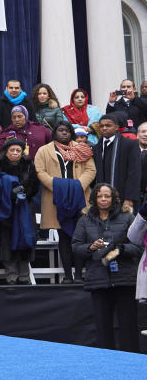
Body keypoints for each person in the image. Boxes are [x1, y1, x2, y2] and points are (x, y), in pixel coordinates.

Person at [72, 183, 143, 351]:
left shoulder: (127, 217)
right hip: (98, 280)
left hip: (125, 280)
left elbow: (139, 246)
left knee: (128, 327)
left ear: (114, 198)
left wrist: (120, 249)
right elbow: (75, 247)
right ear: (94, 199)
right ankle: (106, 366)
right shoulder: (84, 219)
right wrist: (91, 247)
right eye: (99, 196)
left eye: (107, 196)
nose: (103, 199)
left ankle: (131, 362)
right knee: (102, 328)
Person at [34, 122, 97, 283]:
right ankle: (68, 275)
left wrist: (77, 187)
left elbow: (91, 170)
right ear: (55, 132)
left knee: (80, 237)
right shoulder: (44, 150)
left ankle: (79, 275)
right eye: (60, 130)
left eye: (67, 131)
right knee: (64, 238)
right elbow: (40, 171)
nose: (64, 133)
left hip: (79, 198)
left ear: (72, 133)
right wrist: (58, 186)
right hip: (56, 199)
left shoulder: (82, 149)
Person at [0, 138, 39, 284]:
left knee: (24, 239)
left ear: (22, 153)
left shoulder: (29, 166)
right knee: (7, 241)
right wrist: (10, 193)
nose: (15, 153)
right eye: (11, 150)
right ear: (6, 153)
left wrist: (24, 193)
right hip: (6, 208)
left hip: (25, 208)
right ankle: (11, 276)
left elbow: (34, 185)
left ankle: (24, 276)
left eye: (18, 150)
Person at [92, 114, 141, 211]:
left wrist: (129, 198)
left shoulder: (129, 144)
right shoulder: (96, 148)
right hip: (102, 199)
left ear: (116, 127)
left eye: (108, 125)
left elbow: (134, 173)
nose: (104, 128)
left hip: (123, 197)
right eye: (101, 126)